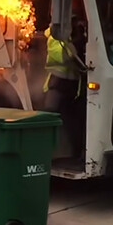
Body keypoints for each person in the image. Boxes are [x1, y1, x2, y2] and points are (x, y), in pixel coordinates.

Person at [43, 15, 87, 161]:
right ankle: (43, 155)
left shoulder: (73, 38)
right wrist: (77, 44)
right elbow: (62, 56)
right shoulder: (54, 37)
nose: (75, 26)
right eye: (73, 22)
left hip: (73, 88)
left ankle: (76, 154)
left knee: (74, 123)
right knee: (49, 118)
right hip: (57, 86)